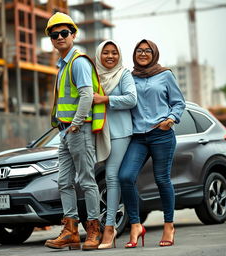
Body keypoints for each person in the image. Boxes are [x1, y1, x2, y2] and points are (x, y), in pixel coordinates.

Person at [44, 12, 106, 251]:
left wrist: (77, 123)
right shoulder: (63, 64)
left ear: (73, 34)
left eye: (64, 33)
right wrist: (67, 128)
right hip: (66, 132)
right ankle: (70, 230)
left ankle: (93, 229)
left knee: (87, 180)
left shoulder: (78, 61)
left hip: (77, 130)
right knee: (64, 182)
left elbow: (87, 95)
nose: (59, 37)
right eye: (54, 34)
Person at [118, 39, 186, 248]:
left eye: (148, 50)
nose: (143, 53)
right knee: (126, 176)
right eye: (139, 50)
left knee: (162, 178)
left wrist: (171, 119)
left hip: (161, 134)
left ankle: (169, 225)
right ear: (134, 54)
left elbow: (178, 102)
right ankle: (136, 225)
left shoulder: (165, 75)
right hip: (138, 136)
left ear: (154, 54)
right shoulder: (129, 77)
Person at [93, 40, 137, 249]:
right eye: (106, 53)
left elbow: (131, 99)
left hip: (120, 133)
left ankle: (109, 228)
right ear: (98, 55)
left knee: (111, 176)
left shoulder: (124, 74)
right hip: (99, 133)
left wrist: (105, 99)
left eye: (114, 53)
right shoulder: (94, 75)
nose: (110, 56)